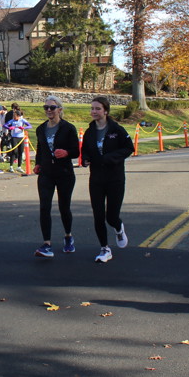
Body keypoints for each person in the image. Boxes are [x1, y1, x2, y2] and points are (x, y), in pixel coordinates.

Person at [81, 97, 134, 264]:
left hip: (115, 178)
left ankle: (118, 228)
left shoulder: (116, 130)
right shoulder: (90, 131)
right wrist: (85, 159)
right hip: (96, 179)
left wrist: (109, 158)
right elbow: (85, 150)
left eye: (97, 108)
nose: (94, 111)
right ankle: (104, 248)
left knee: (111, 216)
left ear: (105, 111)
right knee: (98, 215)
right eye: (92, 108)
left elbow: (129, 148)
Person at [32, 96, 80, 258]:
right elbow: (40, 149)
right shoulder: (41, 129)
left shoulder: (68, 128)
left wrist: (66, 153)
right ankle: (47, 244)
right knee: (44, 207)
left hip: (64, 173)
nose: (48, 110)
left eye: (52, 108)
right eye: (46, 107)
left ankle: (68, 236)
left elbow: (76, 151)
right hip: (46, 173)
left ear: (60, 109)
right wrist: (38, 163)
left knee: (64, 207)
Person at [4, 109, 32, 174]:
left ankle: (19, 166)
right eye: (13, 116)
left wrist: (24, 128)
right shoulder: (12, 121)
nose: (14, 117)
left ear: (19, 116)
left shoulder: (22, 120)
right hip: (14, 138)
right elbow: (5, 125)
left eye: (15, 116)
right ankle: (11, 166)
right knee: (14, 151)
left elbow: (30, 126)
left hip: (21, 138)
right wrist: (9, 128)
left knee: (20, 152)